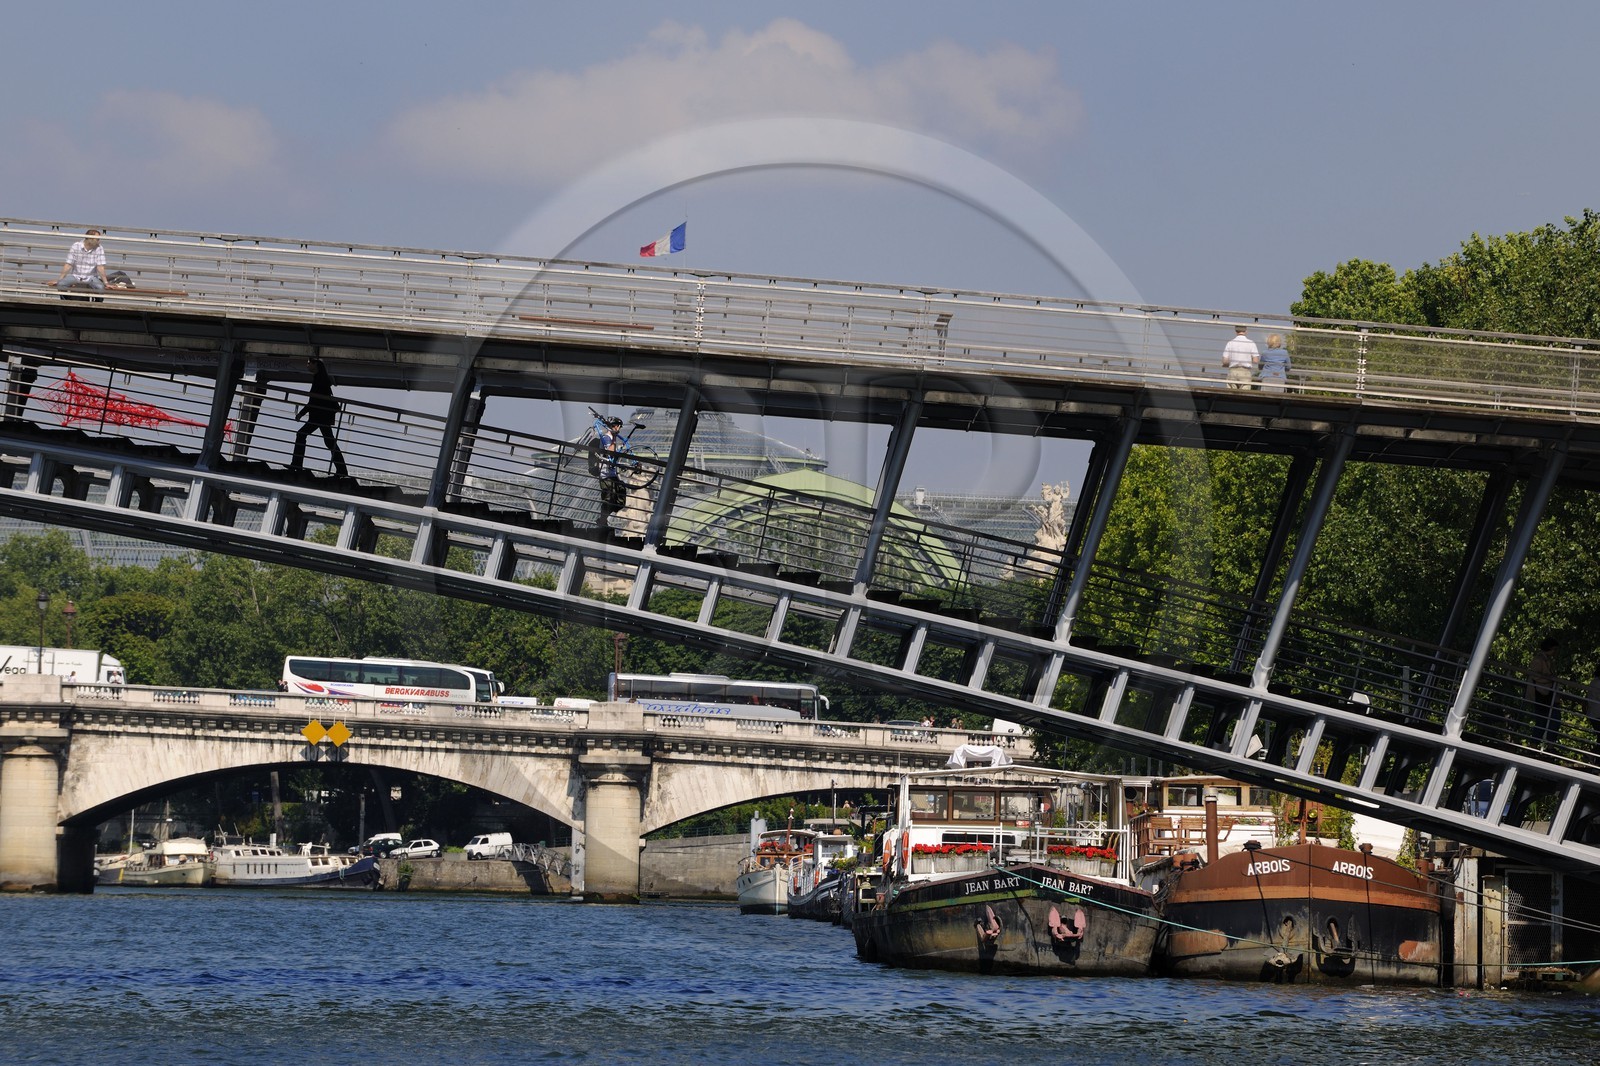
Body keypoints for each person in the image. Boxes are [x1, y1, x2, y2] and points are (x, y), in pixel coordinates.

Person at [289, 359, 348, 478]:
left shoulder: (319, 380)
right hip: (321, 416)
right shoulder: (321, 378)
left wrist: (301, 413)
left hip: (319, 416)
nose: (307, 364)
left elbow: (313, 400)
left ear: (316, 364)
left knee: (301, 434)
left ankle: (296, 464)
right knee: (329, 442)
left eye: (309, 362)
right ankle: (341, 470)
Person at [1525, 636, 1560, 747]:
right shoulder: (1539, 660)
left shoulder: (1547, 660)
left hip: (1547, 693)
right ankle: (1536, 745)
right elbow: (1534, 676)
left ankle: (1540, 745)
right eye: (1554, 649)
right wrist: (1549, 679)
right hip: (1541, 693)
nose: (1555, 652)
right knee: (1543, 720)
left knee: (1548, 720)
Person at [54, 228, 109, 293]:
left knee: (101, 288)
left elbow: (100, 267)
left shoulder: (99, 248)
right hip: (76, 276)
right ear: (90, 239)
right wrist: (60, 279)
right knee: (61, 284)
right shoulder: (76, 246)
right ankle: (66, 300)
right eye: (97, 239)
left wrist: (106, 283)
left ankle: (97, 302)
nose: (99, 241)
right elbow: (68, 264)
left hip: (91, 277)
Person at [597, 415, 626, 520]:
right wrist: (613, 437)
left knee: (620, 495)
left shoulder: (612, 438)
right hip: (605, 474)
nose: (619, 429)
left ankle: (604, 518)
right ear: (614, 426)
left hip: (612, 473)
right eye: (618, 426)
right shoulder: (606, 438)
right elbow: (611, 452)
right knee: (608, 498)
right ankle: (602, 520)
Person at [1221, 324, 1259, 389]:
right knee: (1244, 395)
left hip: (1233, 371)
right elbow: (1256, 360)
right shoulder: (1251, 343)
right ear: (1246, 331)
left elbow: (1225, 361)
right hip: (1245, 372)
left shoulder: (1230, 343)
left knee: (1230, 393)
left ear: (1235, 331)